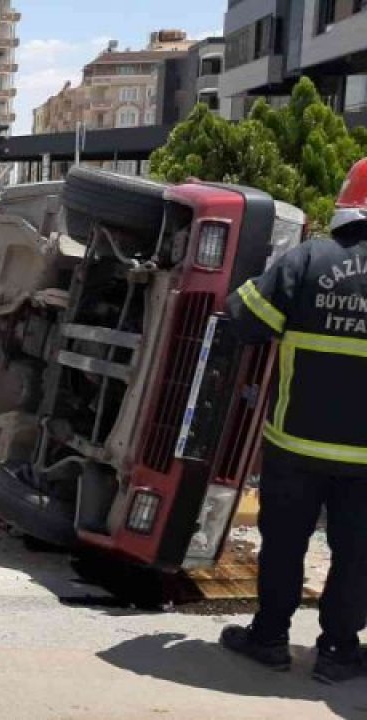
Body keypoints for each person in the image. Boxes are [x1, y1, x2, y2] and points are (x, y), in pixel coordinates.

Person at [219, 157, 367, 686]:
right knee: (357, 554)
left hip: (297, 443)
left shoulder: (309, 259)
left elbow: (243, 320)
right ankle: (339, 653)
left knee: (284, 544)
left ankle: (270, 639)